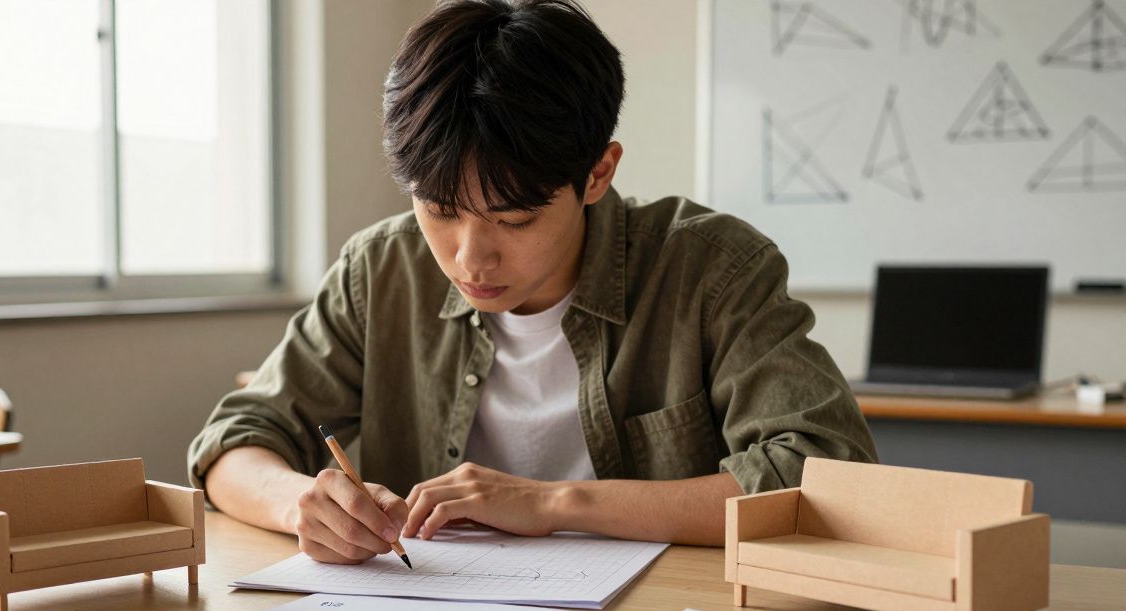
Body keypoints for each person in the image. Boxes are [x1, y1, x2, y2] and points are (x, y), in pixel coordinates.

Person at [188, 0, 876, 564]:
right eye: (440, 211)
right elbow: (236, 439)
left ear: (598, 173)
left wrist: (553, 503)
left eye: (514, 219)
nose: (470, 260)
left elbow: (826, 469)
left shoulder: (712, 269)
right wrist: (298, 502)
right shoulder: (381, 269)